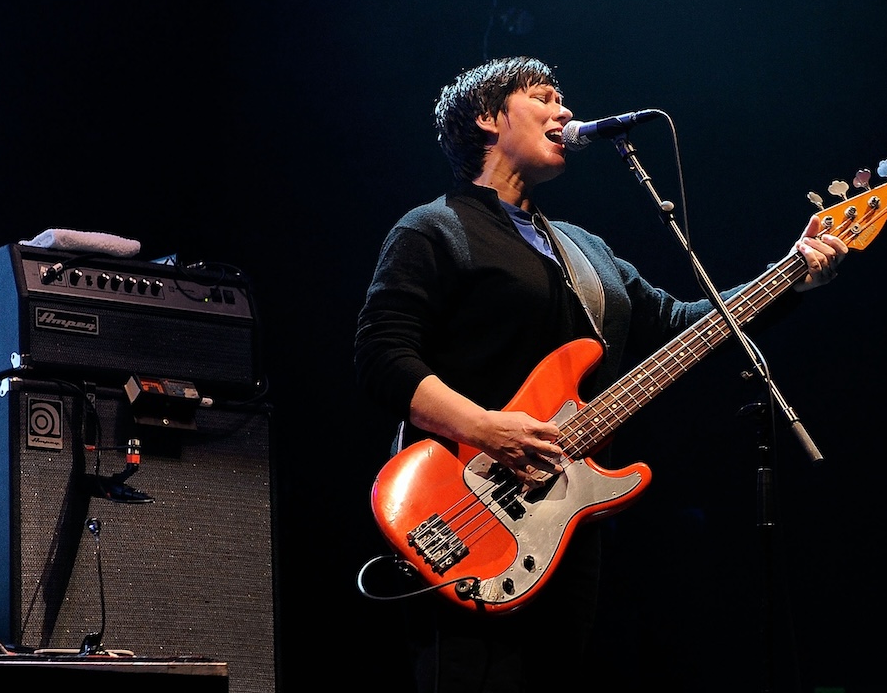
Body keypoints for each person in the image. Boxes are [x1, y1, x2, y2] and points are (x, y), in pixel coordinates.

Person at [353, 55, 847, 693]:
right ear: (487, 119)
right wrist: (488, 427)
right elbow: (382, 354)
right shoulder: (434, 228)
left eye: (564, 100)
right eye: (544, 97)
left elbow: (687, 324)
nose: (565, 111)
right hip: (461, 514)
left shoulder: (585, 248)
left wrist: (793, 272)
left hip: (562, 527)